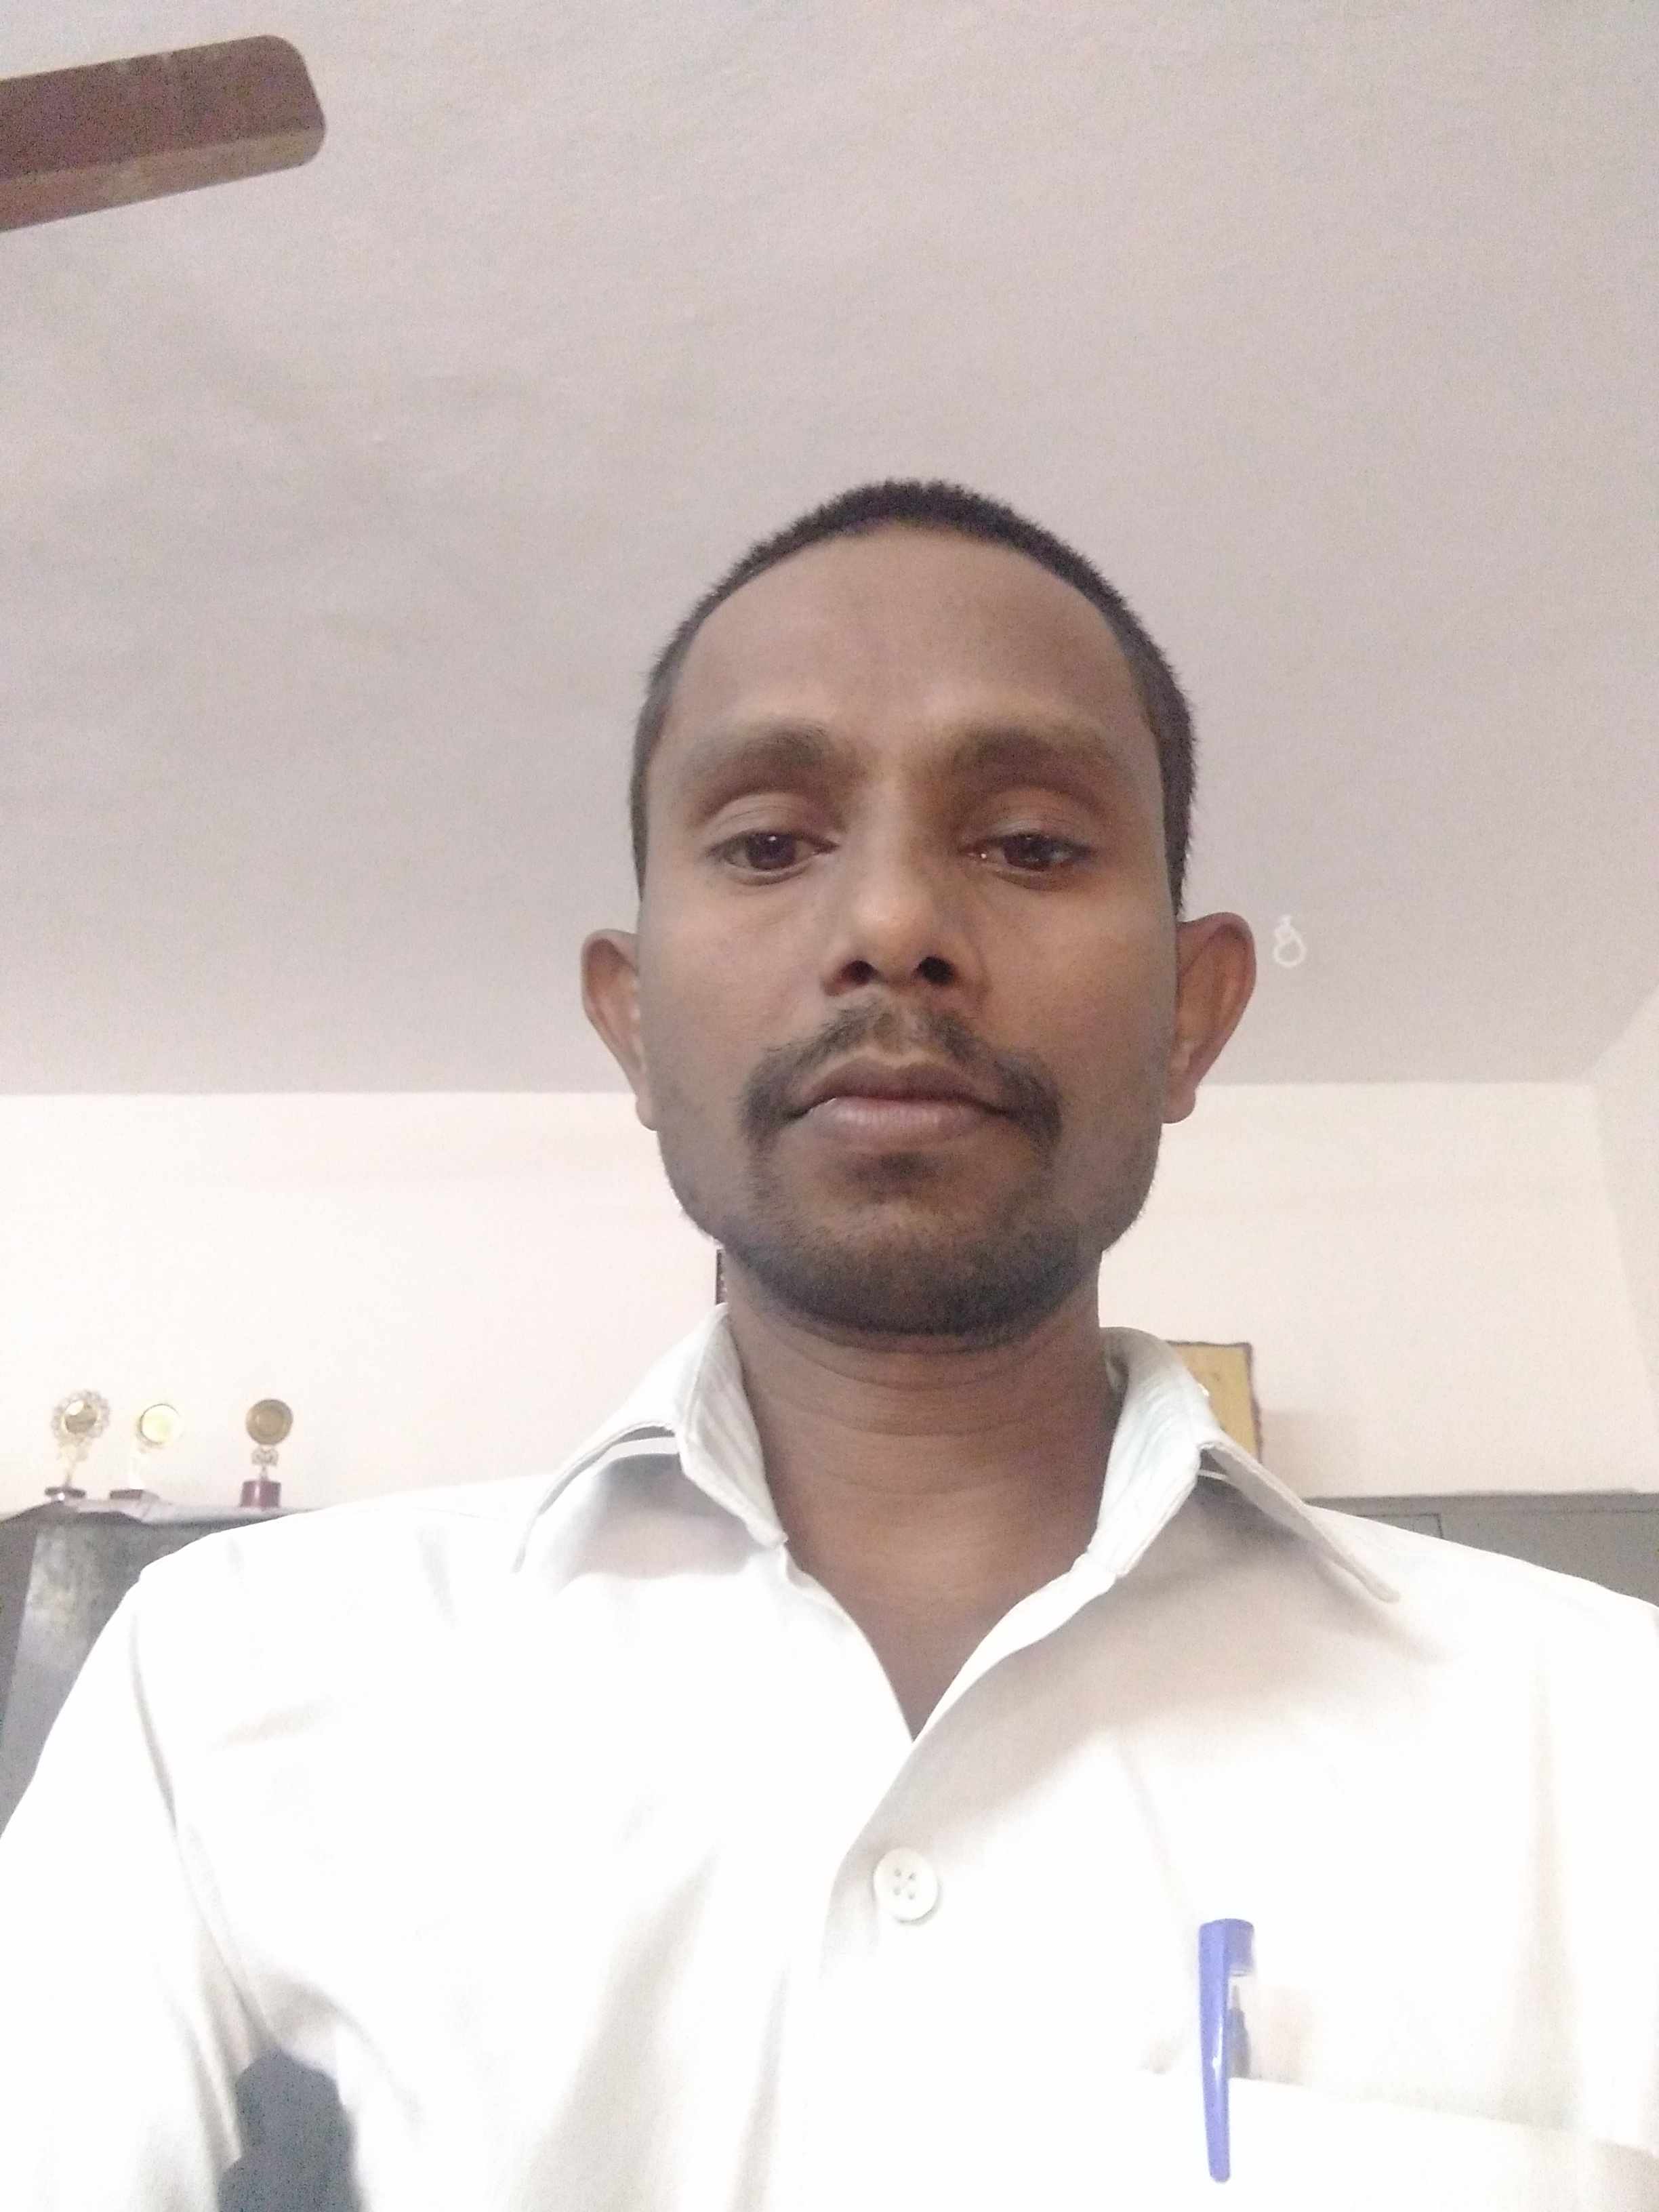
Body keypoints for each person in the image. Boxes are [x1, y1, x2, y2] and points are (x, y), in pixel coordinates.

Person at [1, 480, 1656, 2209]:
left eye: (1032, 843)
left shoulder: (1614, 1741)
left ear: (1194, 1014)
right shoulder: (237, 1678)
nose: (891, 928)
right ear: (634, 1027)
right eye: (769, 842)